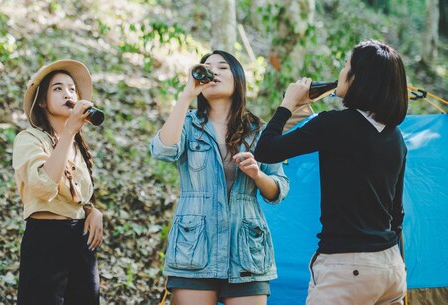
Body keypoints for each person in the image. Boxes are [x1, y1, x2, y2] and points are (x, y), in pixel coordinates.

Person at [254, 40, 408, 305]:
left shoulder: (334, 125)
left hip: (347, 268)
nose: (341, 72)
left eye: (346, 65)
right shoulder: (397, 139)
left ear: (358, 78)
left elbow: (266, 151)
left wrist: (287, 105)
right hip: (391, 268)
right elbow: (397, 213)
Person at [150, 50, 294, 305]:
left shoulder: (258, 131)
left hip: (247, 250)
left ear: (238, 78)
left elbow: (278, 190)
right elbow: (163, 150)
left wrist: (257, 174)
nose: (213, 71)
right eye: (207, 67)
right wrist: (186, 95)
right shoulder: (187, 123)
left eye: (222, 67)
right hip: (194, 248)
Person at [12, 60, 104, 305]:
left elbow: (75, 195)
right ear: (42, 101)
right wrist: (70, 132)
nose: (68, 94)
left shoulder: (77, 146)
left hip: (80, 243)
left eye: (72, 89)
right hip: (45, 242)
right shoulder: (29, 139)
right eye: (58, 89)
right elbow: (43, 186)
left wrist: (90, 210)